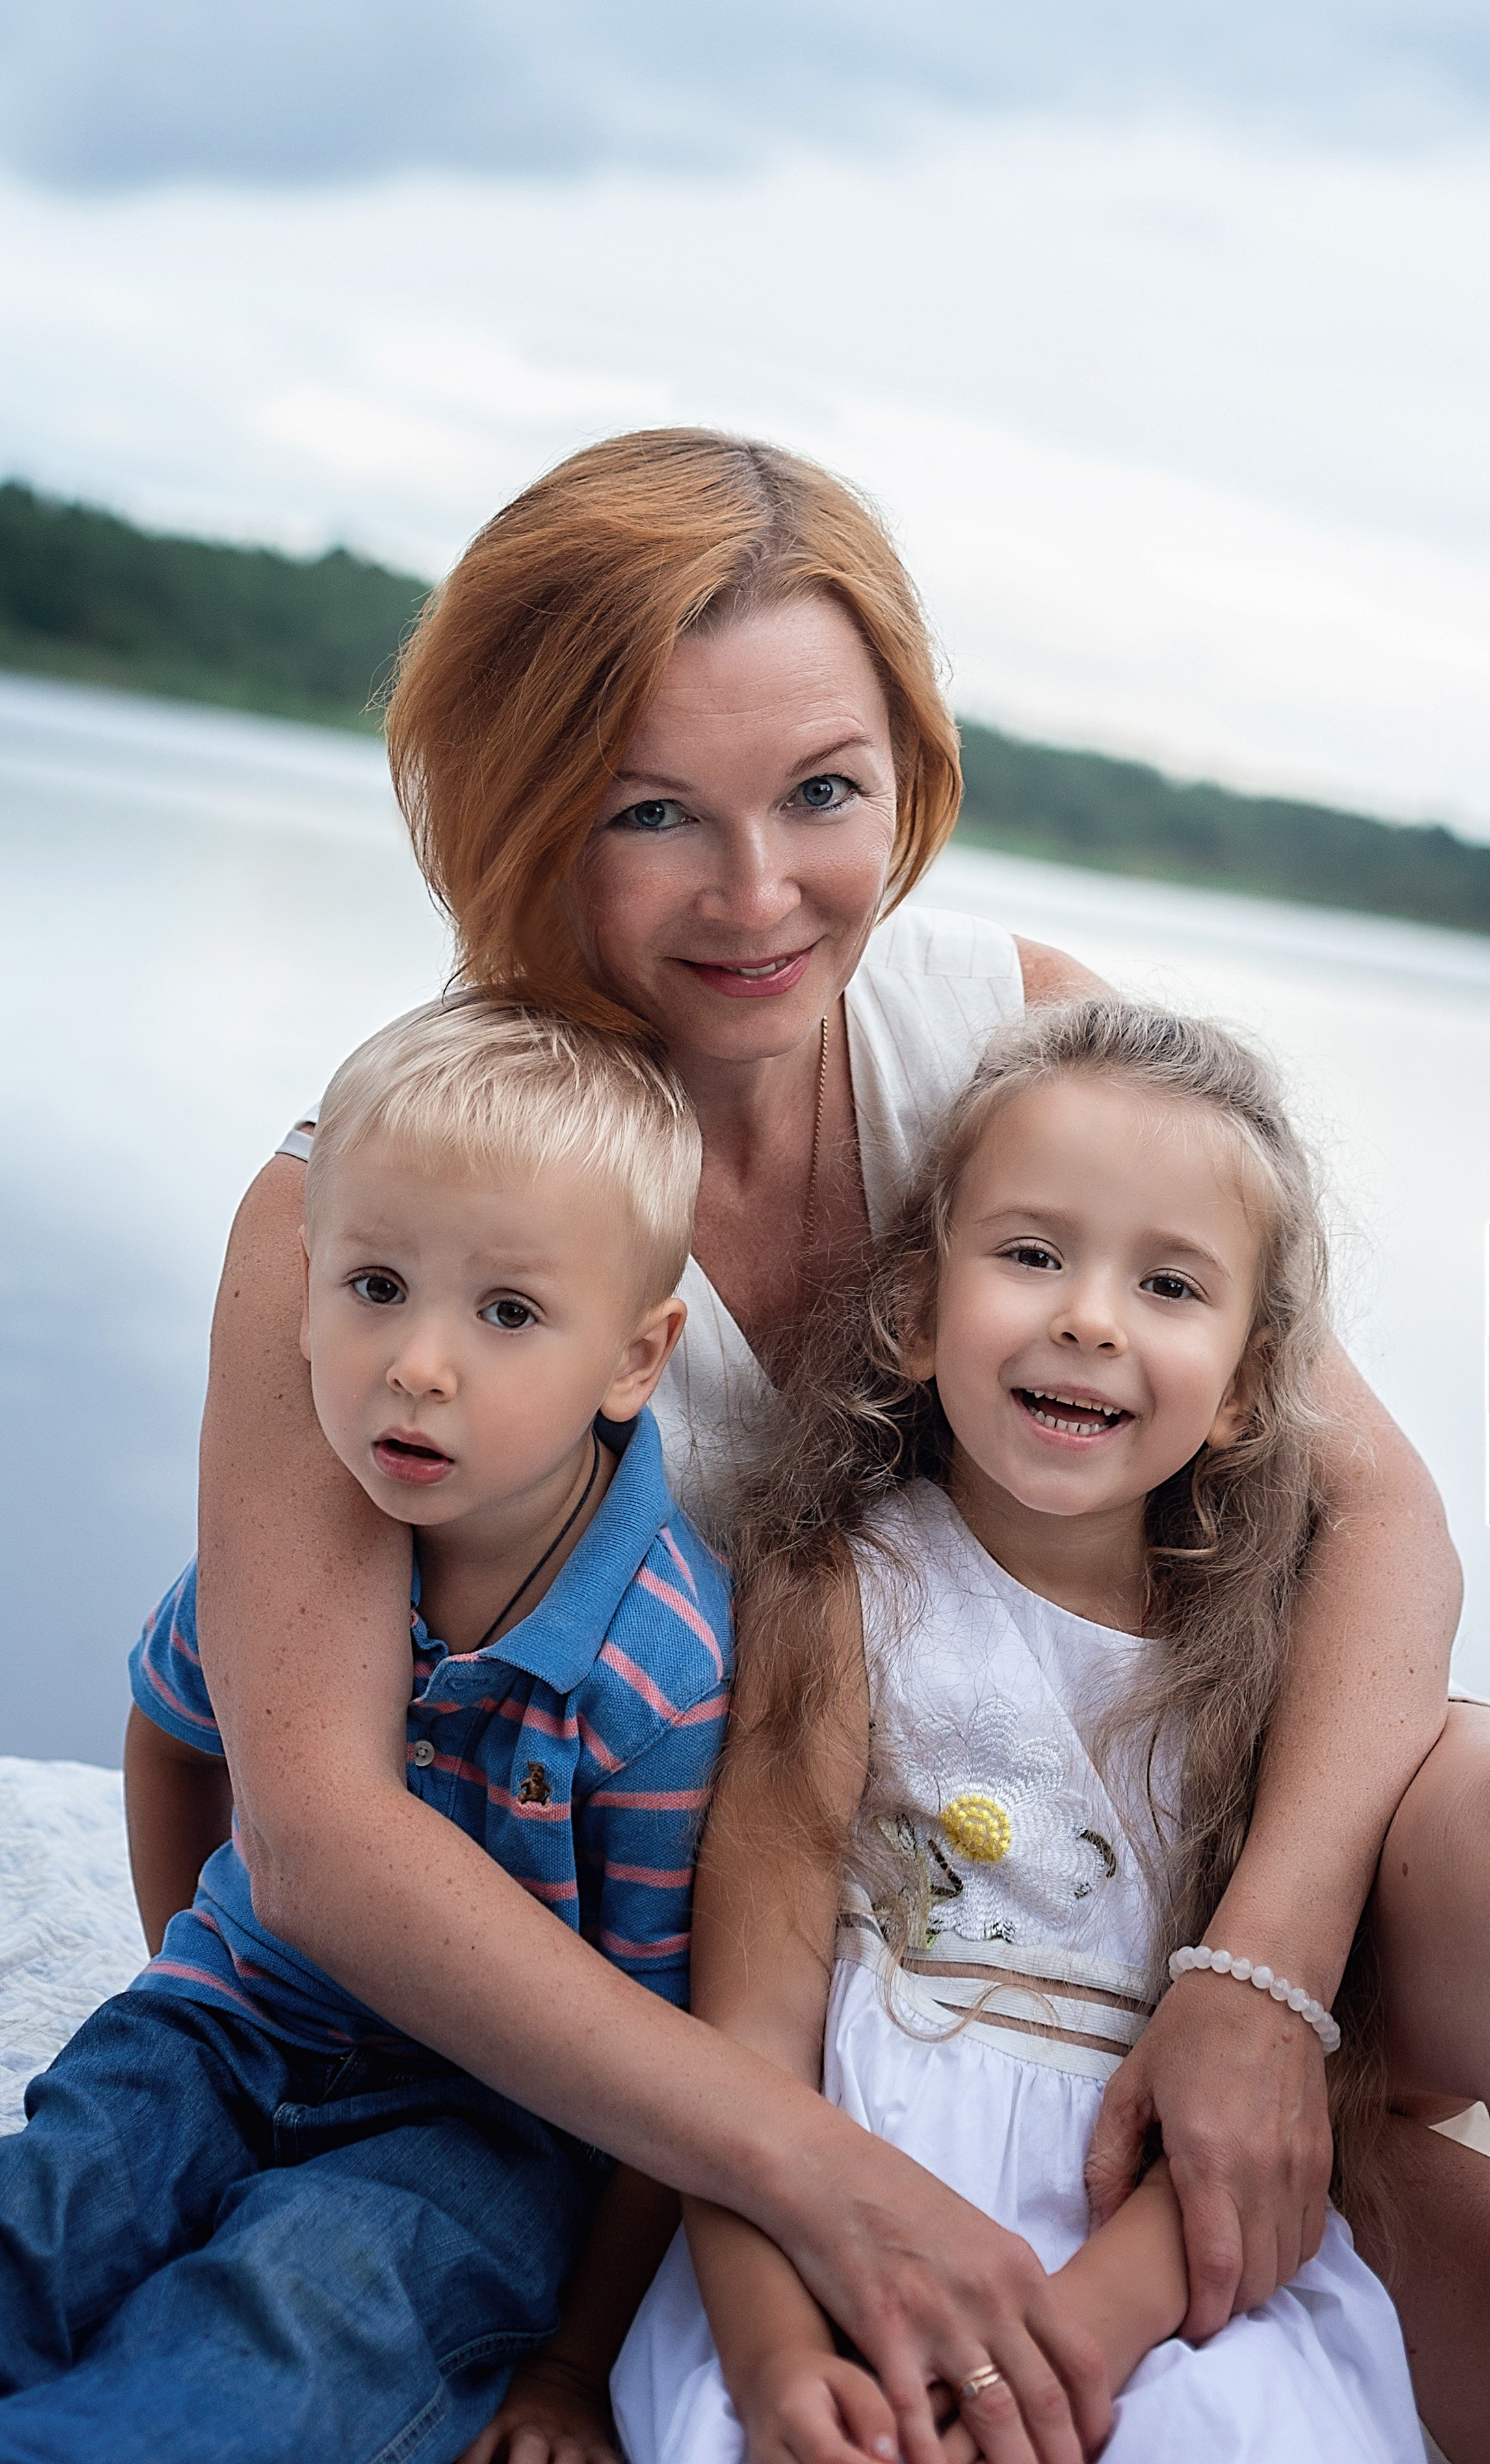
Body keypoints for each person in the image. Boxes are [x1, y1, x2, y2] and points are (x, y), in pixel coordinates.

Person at [198, 430, 1481, 2460]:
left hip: (1099, 1927)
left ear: (911, 769)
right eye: (650, 812)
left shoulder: (1006, 1040)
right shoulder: (392, 1201)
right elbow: (314, 1830)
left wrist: (1266, 1973)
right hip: (718, 1965)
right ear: (524, 812)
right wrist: (815, 2177)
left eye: (825, 791)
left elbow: (1386, 1506)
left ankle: (1340, 2173)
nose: (761, 893)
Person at [0, 1000, 727, 2464]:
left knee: (284, 2325)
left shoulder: (659, 1675)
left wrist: (575, 2365)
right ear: (304, 1285)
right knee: (24, 2222)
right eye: (374, 1283)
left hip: (478, 2120)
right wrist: (188, 1966)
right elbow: (175, 1735)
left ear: (634, 1358)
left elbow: (663, 2034)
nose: (419, 1363)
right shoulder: (305, 1567)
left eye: (506, 1312)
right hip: (225, 2027)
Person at [603, 997, 1427, 2464]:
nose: (1088, 1316)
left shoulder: (1257, 1669)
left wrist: (1054, 2354)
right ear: (917, 1314)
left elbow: (1252, 2116)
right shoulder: (845, 1588)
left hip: (1152, 2273)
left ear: (1247, 1386)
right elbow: (742, 2039)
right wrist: (778, 2356)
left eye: (1169, 1285)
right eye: (1033, 1253)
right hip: (834, 2225)